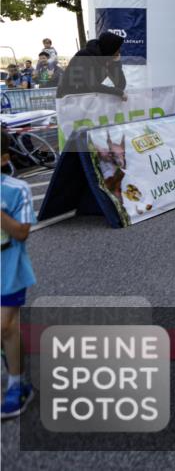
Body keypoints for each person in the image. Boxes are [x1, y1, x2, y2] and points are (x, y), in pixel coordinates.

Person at [1, 130, 37, 418]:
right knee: (7, 330)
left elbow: (22, 233)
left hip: (9, 269)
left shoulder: (17, 189)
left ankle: (17, 384)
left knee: (4, 326)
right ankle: (17, 374)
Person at [56, 32, 127, 99]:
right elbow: (93, 85)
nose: (119, 51)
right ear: (109, 48)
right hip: (68, 97)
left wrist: (116, 63)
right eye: (117, 49)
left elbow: (120, 85)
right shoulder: (84, 56)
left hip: (86, 98)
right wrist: (118, 92)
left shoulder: (107, 60)